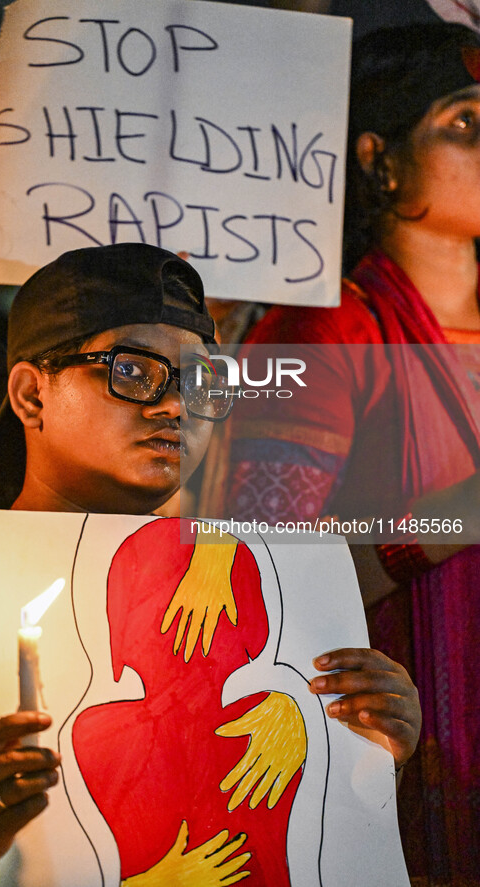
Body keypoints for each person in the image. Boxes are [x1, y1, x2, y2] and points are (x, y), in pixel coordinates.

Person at [0, 243, 421, 885]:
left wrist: (359, 749)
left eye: (201, 381)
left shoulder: (245, 586)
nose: (175, 406)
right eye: (133, 372)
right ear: (32, 395)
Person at [218, 23, 480, 887]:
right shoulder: (328, 331)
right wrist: (450, 519)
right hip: (400, 748)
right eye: (465, 123)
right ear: (378, 157)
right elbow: (260, 579)